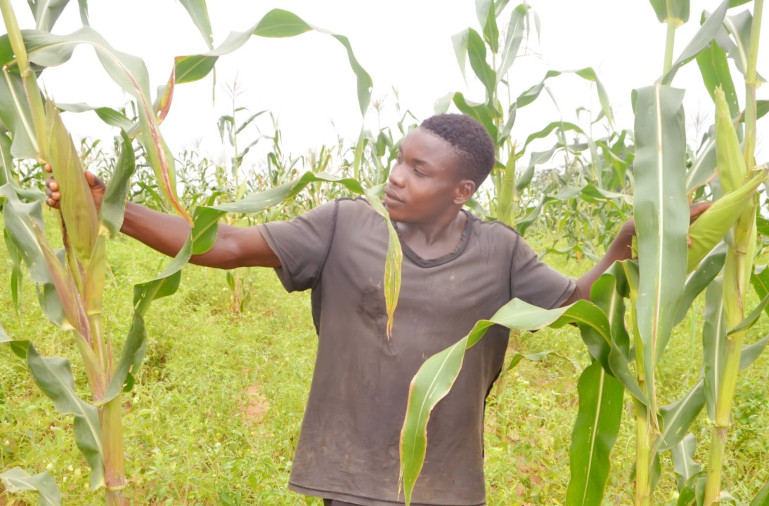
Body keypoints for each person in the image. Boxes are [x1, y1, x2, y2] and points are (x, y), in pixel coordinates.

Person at [47, 114, 636, 506]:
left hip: (445, 484)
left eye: (420, 170)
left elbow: (570, 303)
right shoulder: (344, 224)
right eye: (399, 160)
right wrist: (112, 208)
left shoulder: (500, 250)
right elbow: (226, 246)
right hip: (350, 475)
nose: (397, 178)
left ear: (462, 190)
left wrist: (624, 248)